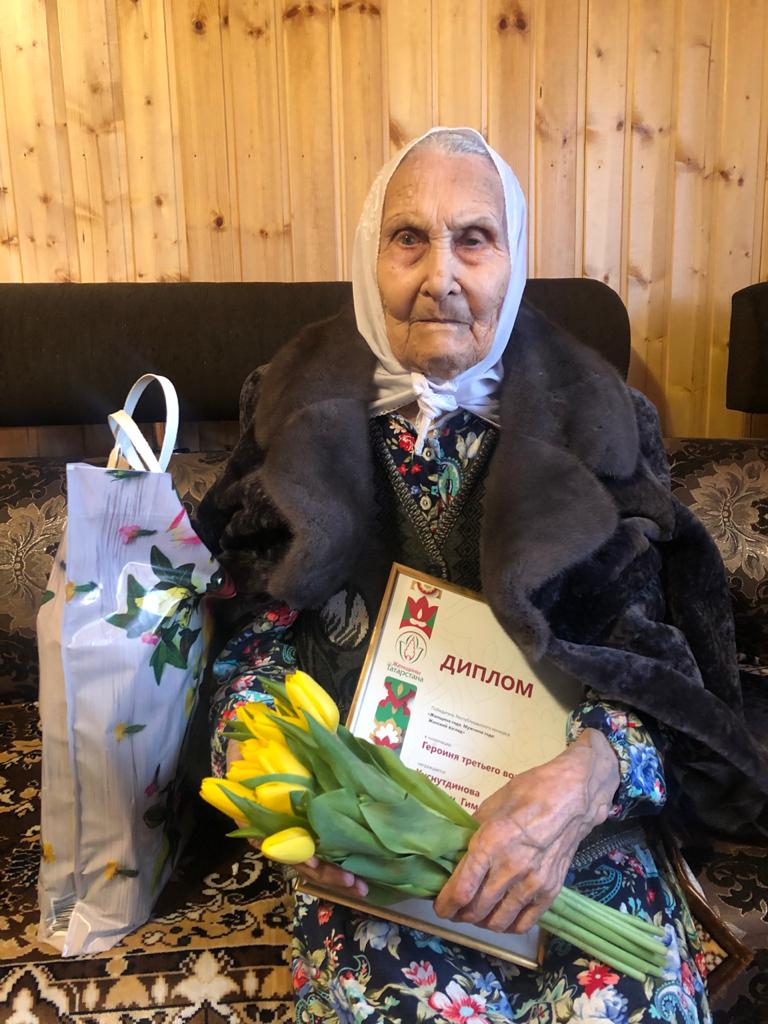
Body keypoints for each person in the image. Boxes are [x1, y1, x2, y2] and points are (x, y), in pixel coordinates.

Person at [196, 127, 768, 1024]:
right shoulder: (291, 407)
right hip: (371, 833)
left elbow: (656, 663)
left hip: (568, 825)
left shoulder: (603, 420)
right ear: (370, 255)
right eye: (408, 238)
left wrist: (590, 776)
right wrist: (280, 781)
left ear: (515, 258)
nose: (442, 275)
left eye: (474, 238)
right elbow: (246, 636)